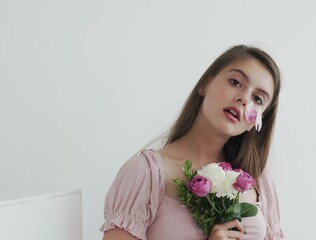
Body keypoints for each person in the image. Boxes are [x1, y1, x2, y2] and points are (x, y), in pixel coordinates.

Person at [100, 45, 285, 240]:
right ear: (204, 84)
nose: (244, 99)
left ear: (257, 122)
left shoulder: (259, 181)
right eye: (235, 82)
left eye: (258, 98)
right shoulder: (146, 173)